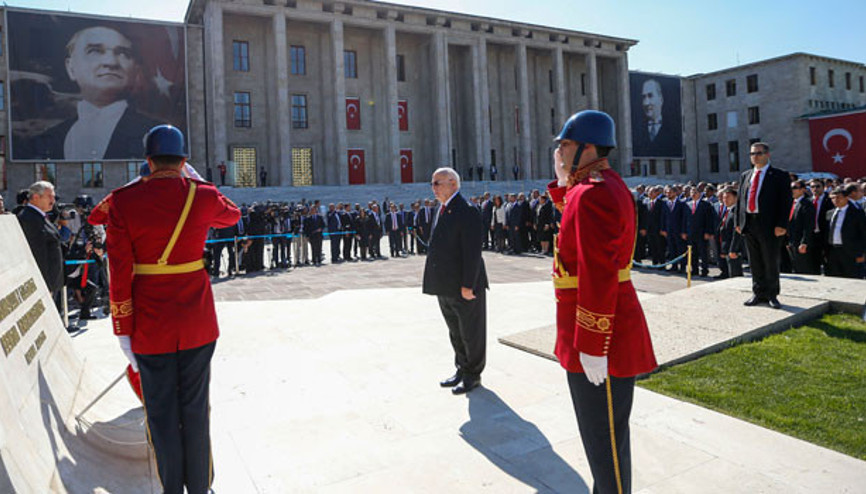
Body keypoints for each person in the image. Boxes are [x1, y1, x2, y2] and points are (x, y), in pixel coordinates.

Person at [105, 125, 239, 494]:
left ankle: (171, 488)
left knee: (161, 414)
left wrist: (122, 329)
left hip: (149, 325)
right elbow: (232, 215)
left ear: (147, 161)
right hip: (197, 322)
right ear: (183, 161)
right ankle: (200, 486)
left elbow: (118, 271)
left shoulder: (123, 202)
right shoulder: (203, 194)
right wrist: (195, 180)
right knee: (196, 409)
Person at [549, 110, 657, 494]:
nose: (559, 150)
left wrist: (594, 345)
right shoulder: (593, 187)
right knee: (601, 441)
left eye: (565, 144)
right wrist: (564, 184)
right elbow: (579, 232)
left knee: (605, 442)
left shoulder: (595, 192)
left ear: (588, 147)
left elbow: (598, 272)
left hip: (602, 336)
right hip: (598, 329)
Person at [21, 26, 161, 160]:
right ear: (71, 68)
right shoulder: (45, 139)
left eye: (123, 53)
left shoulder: (158, 133)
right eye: (95, 51)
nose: (110, 62)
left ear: (136, 70)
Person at [422, 167, 488, 395]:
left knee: (471, 332)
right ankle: (461, 368)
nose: (433, 188)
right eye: (432, 183)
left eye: (437, 183)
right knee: (455, 331)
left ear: (453, 183)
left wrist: (468, 284)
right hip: (446, 285)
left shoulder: (466, 210)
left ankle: (473, 374)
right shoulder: (442, 209)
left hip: (463, 285)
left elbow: (472, 252)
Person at [735, 142, 792, 309]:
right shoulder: (746, 175)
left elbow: (785, 202)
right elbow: (740, 201)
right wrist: (739, 222)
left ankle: (772, 294)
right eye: (752, 154)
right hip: (750, 222)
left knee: (770, 260)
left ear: (767, 155)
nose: (755, 157)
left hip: (769, 224)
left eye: (759, 153)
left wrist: (782, 224)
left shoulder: (779, 175)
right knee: (755, 261)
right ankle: (758, 292)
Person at [17, 181, 65, 304]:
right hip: (43, 285)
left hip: (51, 283)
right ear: (36, 197)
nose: (53, 200)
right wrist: (45, 286)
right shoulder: (29, 219)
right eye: (49, 196)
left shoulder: (40, 216)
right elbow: (38, 255)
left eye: (53, 197)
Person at [825, 186, 866, 278]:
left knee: (851, 277)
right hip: (833, 251)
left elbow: (863, 233)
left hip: (850, 252)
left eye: (839, 197)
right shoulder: (830, 213)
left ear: (846, 198)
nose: (835, 200)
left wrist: (861, 253)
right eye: (833, 198)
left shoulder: (856, 213)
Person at [632, 78, 679, 157]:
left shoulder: (674, 130)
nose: (646, 103)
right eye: (644, 97)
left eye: (650, 96)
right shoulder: (637, 130)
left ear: (661, 99)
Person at [787, 180, 817, 274]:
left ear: (803, 189)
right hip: (792, 241)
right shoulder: (792, 203)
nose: (792, 190)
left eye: (795, 188)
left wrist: (804, 242)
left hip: (801, 242)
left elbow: (808, 225)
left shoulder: (807, 204)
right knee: (795, 267)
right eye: (791, 188)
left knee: (803, 268)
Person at [719, 187, 744, 278]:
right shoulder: (728, 211)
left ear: (735, 198)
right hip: (727, 247)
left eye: (728, 197)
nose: (725, 200)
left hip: (734, 249)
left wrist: (733, 249)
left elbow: (736, 232)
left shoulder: (736, 212)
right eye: (724, 198)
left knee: (735, 275)